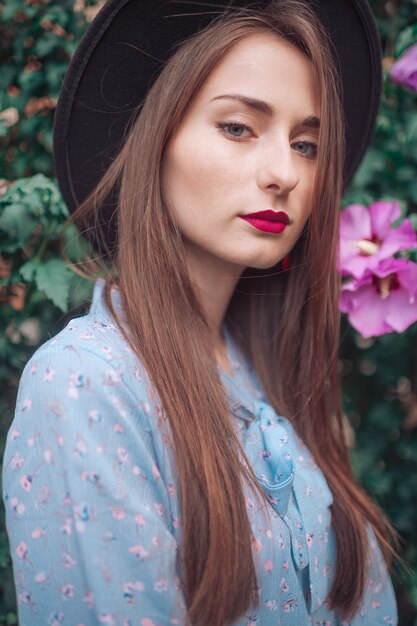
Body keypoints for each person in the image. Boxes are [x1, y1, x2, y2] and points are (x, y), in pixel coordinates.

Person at [2, 0, 399, 624]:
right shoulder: (87, 385)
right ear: (153, 141)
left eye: (306, 143)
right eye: (239, 127)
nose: (284, 173)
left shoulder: (270, 373)